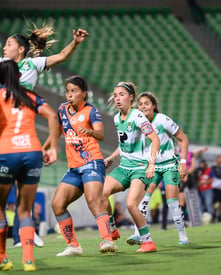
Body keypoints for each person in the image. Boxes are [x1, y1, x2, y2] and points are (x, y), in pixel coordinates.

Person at [0, 59, 58, 271]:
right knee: (24, 209)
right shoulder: (30, 96)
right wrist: (53, 148)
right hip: (32, 152)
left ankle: (2, 257)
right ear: (19, 77)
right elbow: (53, 116)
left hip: (6, 153)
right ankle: (28, 260)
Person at [43, 75, 116, 256]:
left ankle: (108, 240)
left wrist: (89, 131)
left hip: (92, 162)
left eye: (74, 91)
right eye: (68, 91)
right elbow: (57, 132)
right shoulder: (62, 110)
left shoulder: (91, 111)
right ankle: (73, 245)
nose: (69, 94)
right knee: (57, 204)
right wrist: (44, 149)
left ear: (84, 94)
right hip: (74, 168)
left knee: (93, 200)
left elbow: (100, 135)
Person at [125, 92, 189, 245]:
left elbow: (183, 138)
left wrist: (183, 162)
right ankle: (137, 234)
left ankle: (183, 236)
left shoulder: (162, 120)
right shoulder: (137, 123)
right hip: (151, 166)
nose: (143, 107)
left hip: (168, 164)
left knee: (172, 201)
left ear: (154, 106)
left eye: (147, 103)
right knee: (143, 198)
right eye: (140, 104)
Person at [103, 82, 160, 253]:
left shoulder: (137, 116)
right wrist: (112, 158)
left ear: (131, 98)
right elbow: (123, 144)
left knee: (131, 204)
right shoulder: (116, 118)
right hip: (124, 167)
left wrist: (151, 164)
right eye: (115, 95)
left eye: (121, 94)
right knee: (101, 193)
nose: (117, 98)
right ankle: (112, 228)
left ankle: (148, 242)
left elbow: (155, 140)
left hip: (140, 168)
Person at [211, 155, 221, 222]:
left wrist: (220, 176)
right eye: (219, 159)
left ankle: (220, 216)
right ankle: (214, 215)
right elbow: (214, 175)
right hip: (215, 187)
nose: (220, 160)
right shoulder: (213, 168)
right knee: (214, 202)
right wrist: (220, 176)